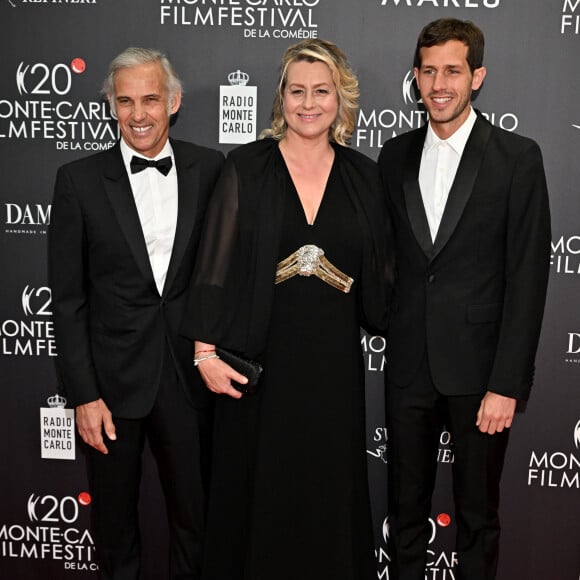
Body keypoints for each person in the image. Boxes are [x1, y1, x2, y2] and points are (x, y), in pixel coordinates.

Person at [181, 39, 393, 580]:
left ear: (340, 98)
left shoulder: (364, 176)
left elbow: (383, 278)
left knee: (326, 492)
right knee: (259, 494)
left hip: (331, 369)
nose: (308, 103)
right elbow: (212, 267)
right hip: (259, 364)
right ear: (280, 97)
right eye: (296, 90)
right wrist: (204, 351)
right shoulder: (246, 166)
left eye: (321, 91)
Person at [378, 18, 551, 580]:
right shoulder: (393, 156)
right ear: (416, 78)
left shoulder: (516, 157)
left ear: (477, 76)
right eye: (428, 71)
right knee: (404, 515)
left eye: (452, 70)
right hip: (406, 369)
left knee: (478, 517)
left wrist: (507, 384)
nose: (439, 83)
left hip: (481, 376)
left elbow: (527, 279)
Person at [48, 47, 224, 580]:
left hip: (190, 381)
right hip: (111, 387)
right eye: (125, 101)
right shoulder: (78, 181)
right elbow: (69, 298)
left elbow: (223, 274)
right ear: (110, 105)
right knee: (115, 530)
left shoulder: (211, 168)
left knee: (197, 525)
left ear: (173, 102)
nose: (138, 113)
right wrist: (83, 394)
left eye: (150, 99)